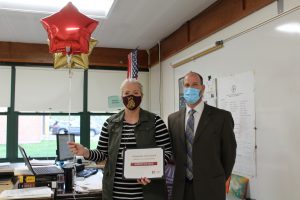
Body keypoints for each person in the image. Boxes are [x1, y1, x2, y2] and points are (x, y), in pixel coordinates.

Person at [68, 79, 172, 200]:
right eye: (127, 93)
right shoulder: (110, 123)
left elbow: (167, 152)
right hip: (115, 194)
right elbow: (102, 154)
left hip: (149, 192)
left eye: (136, 93)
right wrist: (85, 152)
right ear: (121, 96)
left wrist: (150, 171)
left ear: (142, 96)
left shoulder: (155, 121)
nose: (131, 96)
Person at [168, 71, 237, 200]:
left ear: (203, 88)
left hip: (210, 188)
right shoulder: (173, 119)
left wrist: (218, 178)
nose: (190, 88)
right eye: (187, 85)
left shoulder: (222, 117)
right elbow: (173, 152)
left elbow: (229, 154)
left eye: (195, 85)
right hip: (181, 189)